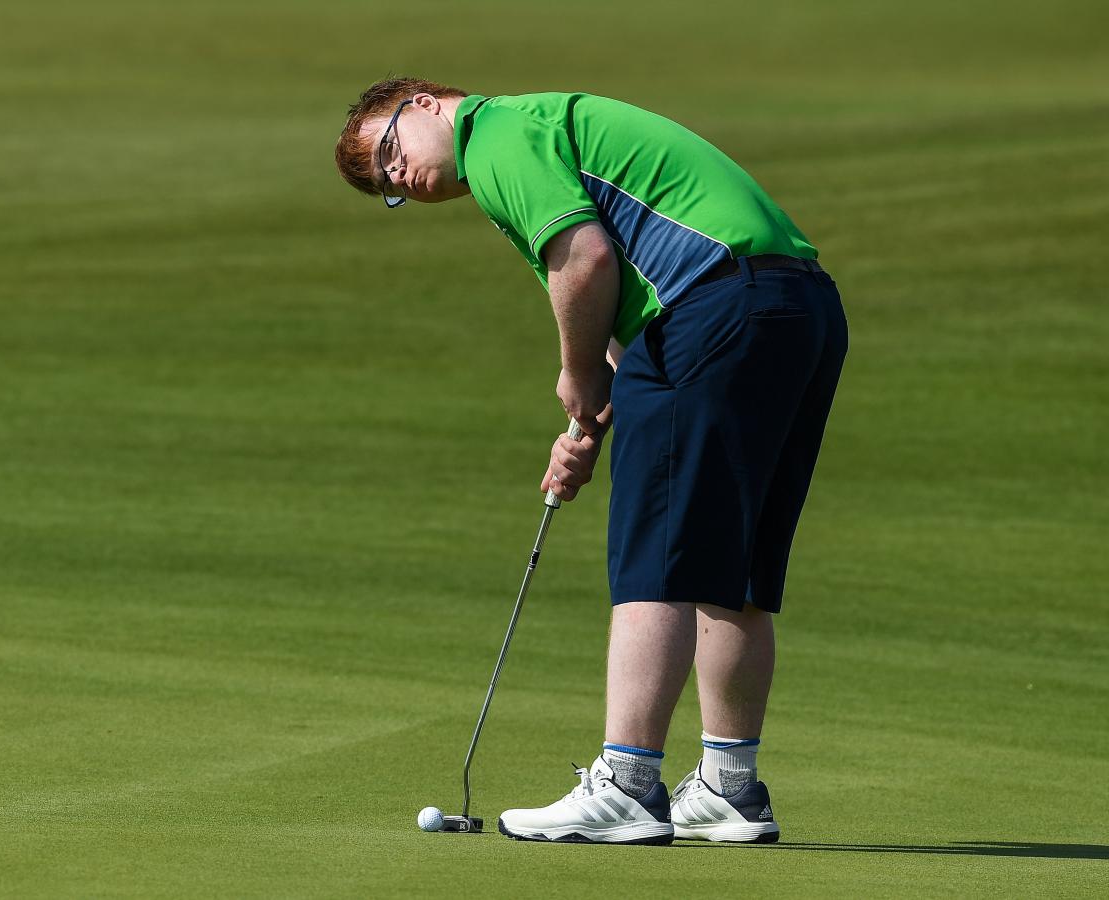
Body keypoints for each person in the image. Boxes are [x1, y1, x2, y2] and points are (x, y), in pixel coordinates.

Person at [334, 78, 847, 845]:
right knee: (730, 570)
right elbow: (624, 316)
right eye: (386, 187)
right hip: (794, 310)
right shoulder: (540, 129)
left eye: (389, 151)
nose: (398, 178)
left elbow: (585, 260)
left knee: (656, 558)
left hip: (712, 311)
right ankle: (729, 788)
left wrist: (578, 375)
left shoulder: (495, 133)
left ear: (429, 104)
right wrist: (593, 422)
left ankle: (629, 784)